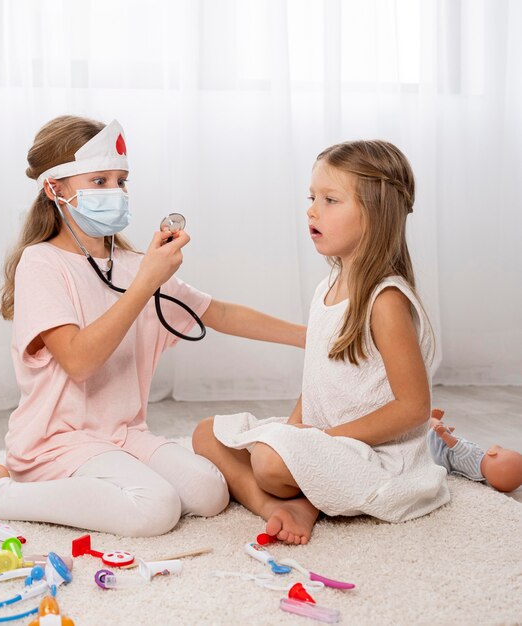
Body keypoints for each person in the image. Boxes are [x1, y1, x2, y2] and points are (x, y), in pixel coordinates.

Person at [0, 115, 306, 537]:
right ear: (56, 189)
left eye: (121, 181)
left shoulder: (133, 266)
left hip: (123, 433)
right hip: (57, 441)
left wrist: (314, 336)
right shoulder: (42, 263)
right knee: (154, 510)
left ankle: (93, 480)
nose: (117, 192)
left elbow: (219, 314)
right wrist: (145, 284)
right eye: (100, 181)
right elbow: (79, 361)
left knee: (209, 493)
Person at [193, 140, 451, 545]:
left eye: (331, 200)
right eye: (312, 198)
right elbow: (316, 379)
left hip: (373, 455)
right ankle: (281, 505)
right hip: (324, 442)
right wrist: (295, 431)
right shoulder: (327, 287)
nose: (312, 210)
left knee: (268, 461)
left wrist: (316, 443)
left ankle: (297, 496)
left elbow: (414, 408)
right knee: (207, 434)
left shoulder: (385, 300)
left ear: (377, 213)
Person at [428, 408, 522, 492]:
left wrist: (444, 434)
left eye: (503, 450)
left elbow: (455, 445)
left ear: (492, 453)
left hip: (443, 451)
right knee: (446, 434)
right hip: (449, 460)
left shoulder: (470, 454)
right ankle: (443, 430)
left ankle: (431, 419)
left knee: (436, 429)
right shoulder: (478, 475)